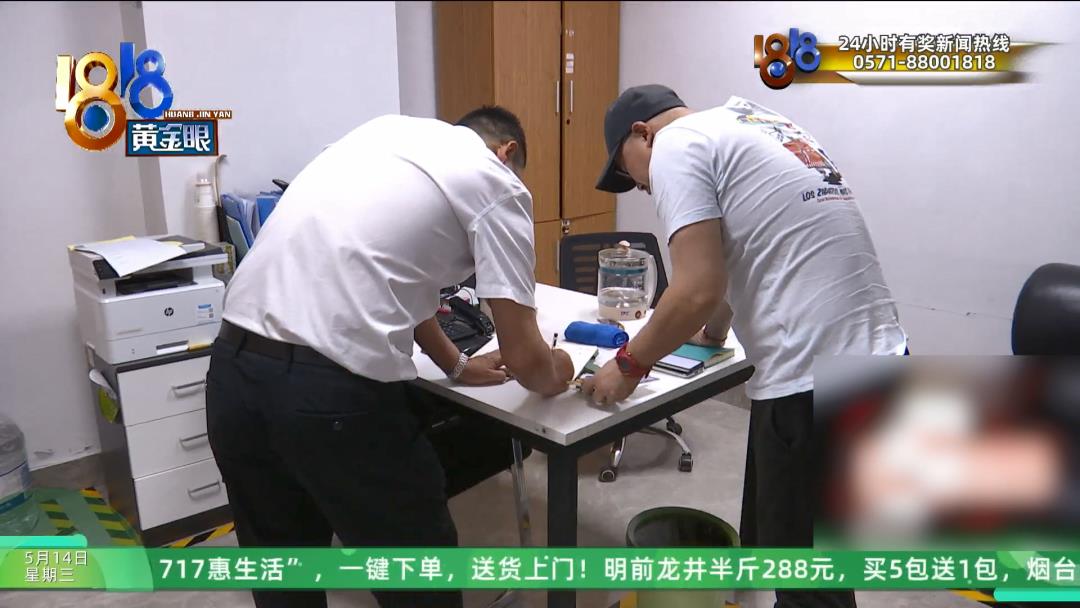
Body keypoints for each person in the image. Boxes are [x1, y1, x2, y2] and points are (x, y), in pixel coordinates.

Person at [206, 107, 575, 608]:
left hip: (233, 373)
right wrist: (561, 367)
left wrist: (456, 364)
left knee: (284, 576)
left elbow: (392, 274)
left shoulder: (381, 136)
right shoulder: (496, 182)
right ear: (506, 152)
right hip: (329, 393)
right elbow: (526, 359)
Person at [582, 85, 908, 608]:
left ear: (642, 134)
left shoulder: (676, 144)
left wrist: (628, 365)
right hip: (880, 356)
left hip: (809, 379)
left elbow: (696, 288)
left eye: (632, 174)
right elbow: (744, 257)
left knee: (807, 586)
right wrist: (712, 334)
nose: (642, 187)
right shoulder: (757, 123)